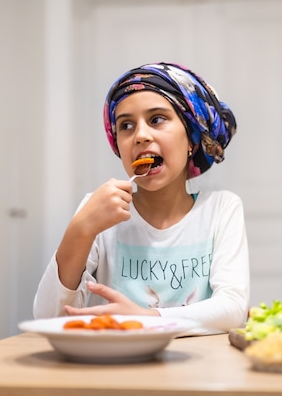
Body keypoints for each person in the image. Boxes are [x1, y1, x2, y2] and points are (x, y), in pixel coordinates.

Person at [33, 62, 250, 335]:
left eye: (157, 119)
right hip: (117, 368)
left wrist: (147, 318)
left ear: (192, 139)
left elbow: (232, 310)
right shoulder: (97, 212)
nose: (140, 136)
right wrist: (81, 229)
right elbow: (48, 318)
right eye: (126, 125)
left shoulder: (221, 209)